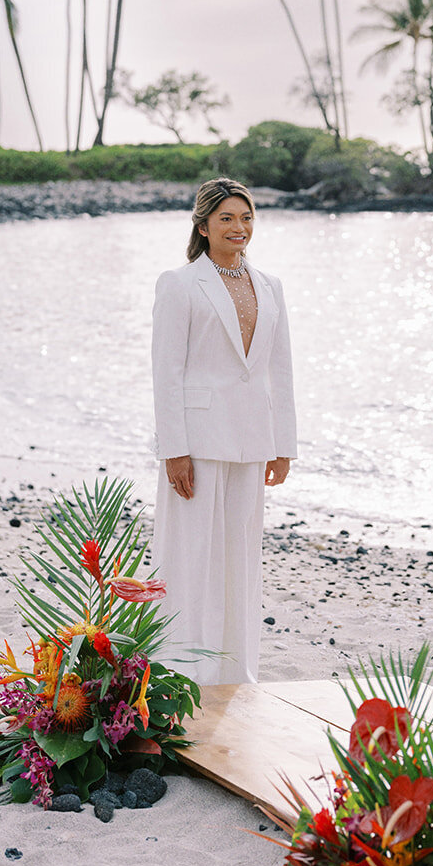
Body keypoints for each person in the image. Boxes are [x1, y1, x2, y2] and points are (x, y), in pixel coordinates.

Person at [149, 177, 296, 686]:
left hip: (253, 442)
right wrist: (174, 450)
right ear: (204, 224)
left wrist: (284, 446)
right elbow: (166, 372)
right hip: (198, 441)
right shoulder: (180, 283)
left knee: (241, 561)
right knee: (189, 559)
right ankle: (178, 675)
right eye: (228, 218)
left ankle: (236, 675)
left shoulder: (270, 285)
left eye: (247, 217)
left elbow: (281, 369)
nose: (239, 227)